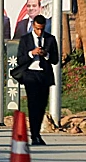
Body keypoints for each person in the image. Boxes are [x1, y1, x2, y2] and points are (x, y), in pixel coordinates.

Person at [17, 14, 59, 145]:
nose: (39, 32)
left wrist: (45, 54)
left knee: (41, 105)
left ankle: (37, 133)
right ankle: (34, 135)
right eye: (37, 29)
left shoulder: (50, 39)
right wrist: (31, 53)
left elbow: (55, 60)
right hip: (30, 74)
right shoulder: (25, 40)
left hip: (44, 75)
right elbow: (20, 59)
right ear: (33, 26)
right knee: (33, 104)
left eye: (41, 29)